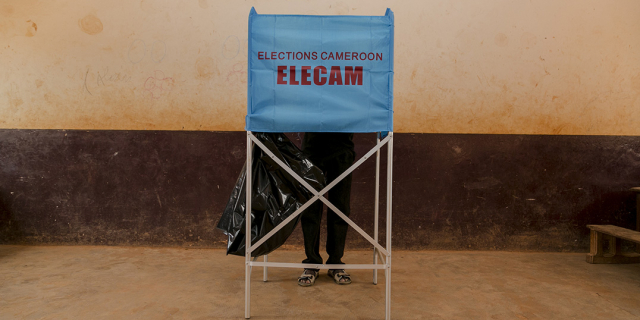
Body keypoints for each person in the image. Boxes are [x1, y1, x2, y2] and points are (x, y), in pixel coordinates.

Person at [297, 132, 355, 286]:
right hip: (312, 148)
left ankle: (335, 263)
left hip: (342, 147)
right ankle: (311, 263)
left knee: (340, 207)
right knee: (310, 209)